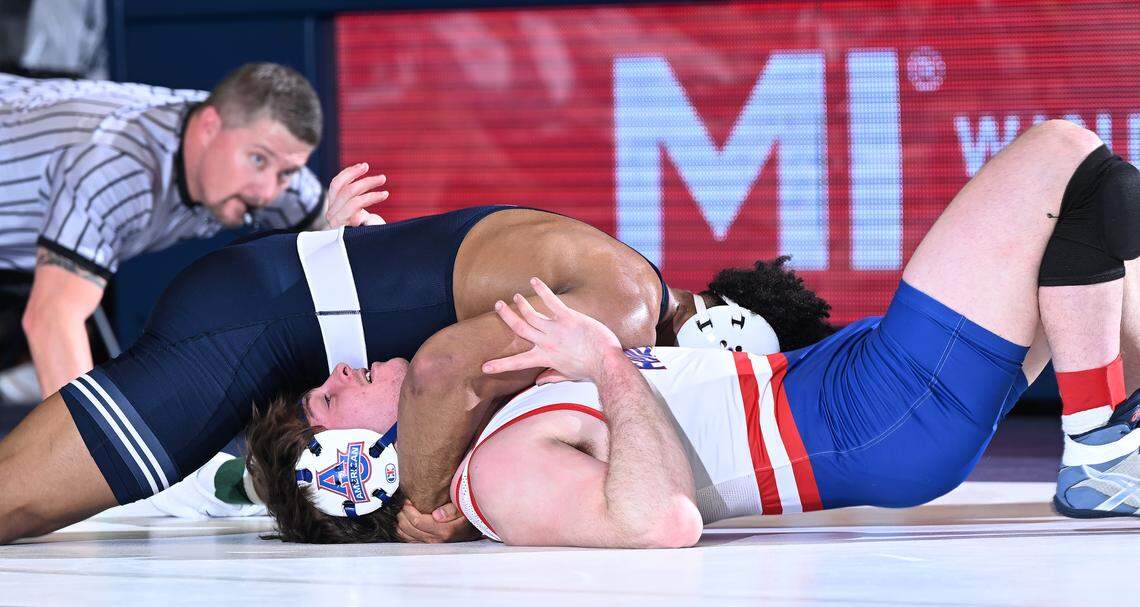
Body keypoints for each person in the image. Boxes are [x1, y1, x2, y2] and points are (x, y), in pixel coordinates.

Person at [245, 119, 1140, 546]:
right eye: (333, 394)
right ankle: (1101, 452)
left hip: (852, 390)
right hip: (874, 414)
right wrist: (604, 363)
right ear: (352, 463)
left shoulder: (483, 423)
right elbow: (661, 522)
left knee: (1101, 207)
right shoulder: (498, 477)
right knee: (1060, 154)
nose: (350, 366)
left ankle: (1113, 440)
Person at [0, 191, 832, 543]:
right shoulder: (617, 309)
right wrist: (425, 502)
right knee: (22, 495)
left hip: (272, 321)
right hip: (248, 326)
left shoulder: (619, 274)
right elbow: (439, 372)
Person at [0, 62, 385, 400]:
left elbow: (347, 244)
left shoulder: (251, 152)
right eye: (257, 160)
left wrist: (362, 234)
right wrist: (91, 472)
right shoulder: (120, 167)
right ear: (209, 127)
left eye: (284, 172)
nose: (267, 192)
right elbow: (53, 318)